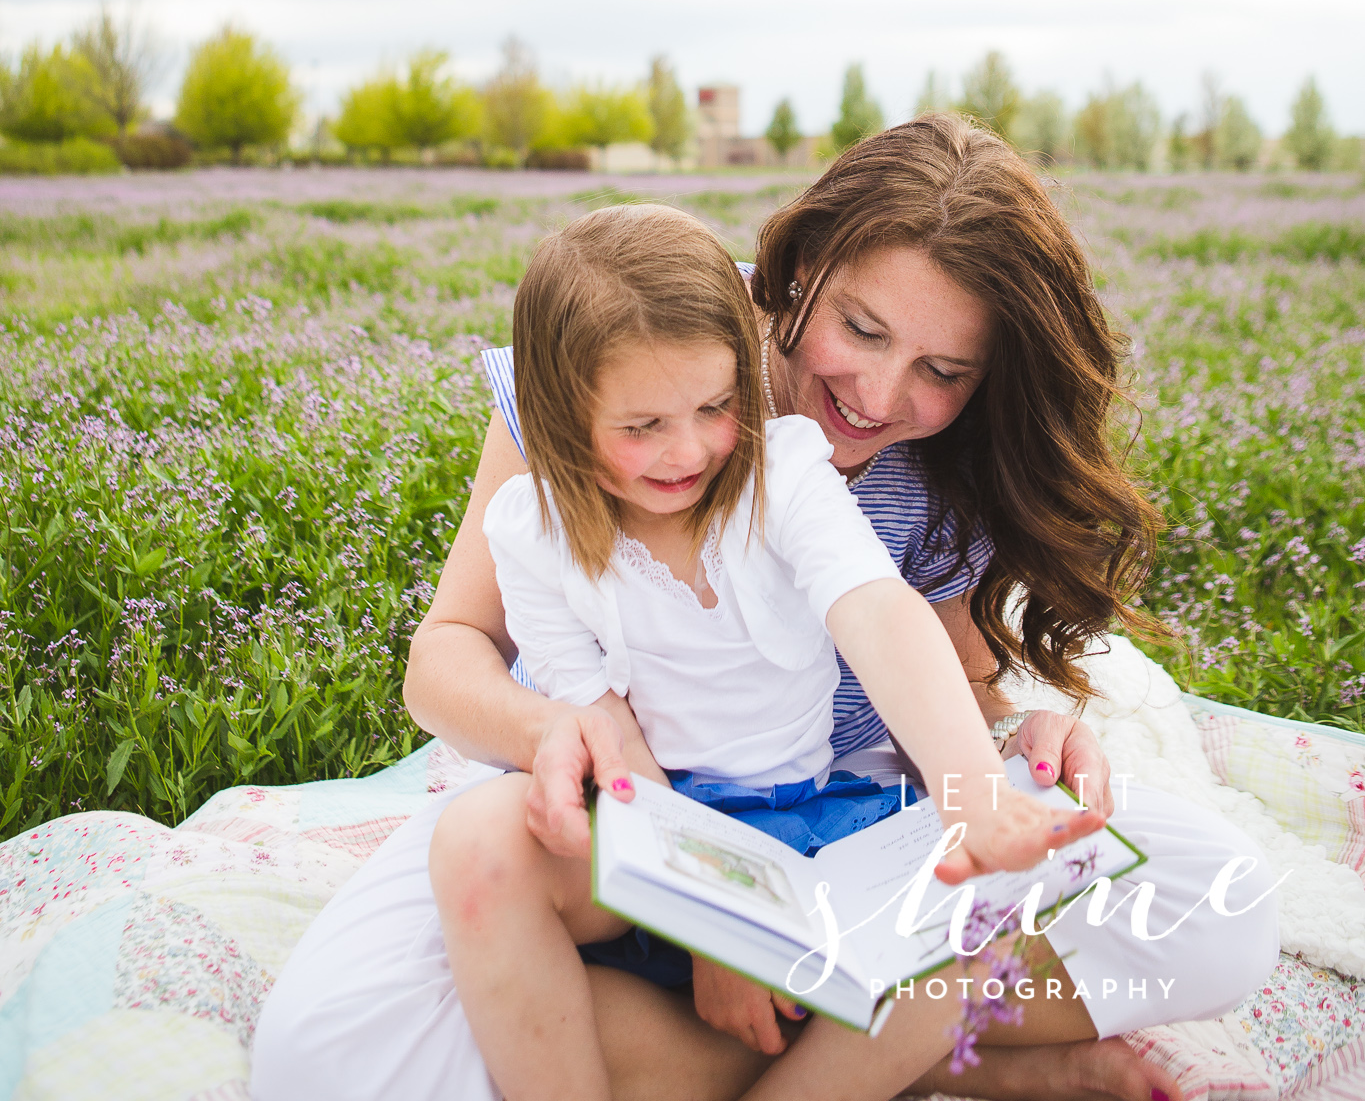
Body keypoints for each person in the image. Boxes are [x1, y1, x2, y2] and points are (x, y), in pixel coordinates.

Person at [252, 117, 1279, 1101]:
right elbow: (447, 654)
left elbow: (929, 656)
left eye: (943, 370)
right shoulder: (621, 349)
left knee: (1219, 907)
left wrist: (1012, 741)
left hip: (838, 817)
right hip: (614, 812)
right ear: (801, 268)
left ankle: (838, 1032)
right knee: (326, 1058)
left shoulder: (921, 457)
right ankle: (920, 1055)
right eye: (860, 327)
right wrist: (572, 742)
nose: (879, 393)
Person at [428, 204, 1101, 1101]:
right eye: (643, 428)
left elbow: (877, 611)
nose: (693, 448)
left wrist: (973, 790)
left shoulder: (782, 465)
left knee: (985, 909)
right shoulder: (533, 527)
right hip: (660, 821)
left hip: (808, 810)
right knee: (472, 850)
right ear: (559, 418)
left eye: (716, 406)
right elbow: (603, 727)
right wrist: (714, 921)